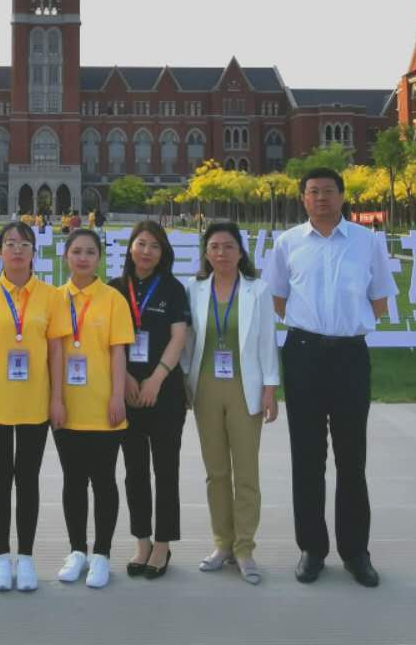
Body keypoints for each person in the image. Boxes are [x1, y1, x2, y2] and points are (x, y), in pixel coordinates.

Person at [264, 167, 397, 589]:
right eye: (312, 191)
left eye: (327, 191)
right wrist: (313, 328)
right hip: (303, 354)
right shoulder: (288, 243)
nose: (320, 198)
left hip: (349, 356)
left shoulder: (366, 241)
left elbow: (379, 299)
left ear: (342, 196)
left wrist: (344, 326)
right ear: (303, 199)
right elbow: (278, 298)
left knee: (351, 458)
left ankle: (356, 552)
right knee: (307, 458)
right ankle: (312, 549)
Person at [0, 221, 65, 593]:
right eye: (10, 243)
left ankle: (26, 558)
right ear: (0, 251)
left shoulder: (51, 296)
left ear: (35, 251)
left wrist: (56, 398)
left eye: (24, 244)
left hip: (35, 402)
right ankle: (0, 558)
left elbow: (56, 351)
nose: (17, 250)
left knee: (28, 480)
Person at [185, 220, 279, 586]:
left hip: (245, 387)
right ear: (206, 254)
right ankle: (222, 544)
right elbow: (187, 340)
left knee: (246, 472)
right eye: (214, 247)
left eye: (228, 246)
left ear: (241, 252)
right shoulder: (194, 289)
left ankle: (244, 548)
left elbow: (267, 341)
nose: (221, 253)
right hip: (206, 388)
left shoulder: (258, 290)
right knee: (216, 472)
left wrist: (270, 388)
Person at [49, 228, 133, 589]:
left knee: (104, 481)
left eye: (90, 252)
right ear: (65, 256)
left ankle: (102, 553)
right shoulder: (54, 299)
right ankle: (77, 551)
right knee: (73, 481)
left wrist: (117, 396)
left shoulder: (113, 299)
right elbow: (52, 353)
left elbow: (118, 352)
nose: (83, 258)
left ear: (100, 258)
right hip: (67, 407)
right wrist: (55, 399)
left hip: (103, 406)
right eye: (76, 251)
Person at [110, 220, 189, 580]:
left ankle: (162, 544)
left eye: (154, 246)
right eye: (141, 244)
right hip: (126, 391)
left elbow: (178, 338)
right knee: (134, 471)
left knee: (166, 470)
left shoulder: (173, 289)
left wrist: (156, 379)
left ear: (163, 253)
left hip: (164, 393)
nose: (146, 251)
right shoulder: (114, 289)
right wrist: (126, 378)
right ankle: (142, 541)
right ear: (130, 247)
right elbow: (108, 342)